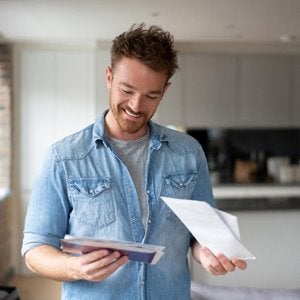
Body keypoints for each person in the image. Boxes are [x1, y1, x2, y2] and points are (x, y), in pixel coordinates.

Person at [22, 23, 247, 300]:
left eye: (151, 95)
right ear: (108, 77)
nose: (136, 106)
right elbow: (35, 250)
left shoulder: (188, 152)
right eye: (127, 90)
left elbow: (200, 236)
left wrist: (208, 254)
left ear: (165, 90)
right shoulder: (63, 157)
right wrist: (74, 267)